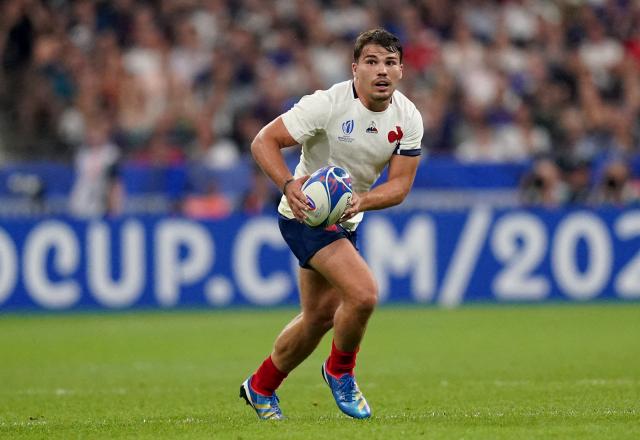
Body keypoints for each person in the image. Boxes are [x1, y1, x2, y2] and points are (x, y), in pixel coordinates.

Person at [239, 28, 423, 420]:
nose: (381, 71)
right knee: (363, 294)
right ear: (355, 68)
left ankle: (260, 386)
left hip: (345, 216)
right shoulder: (326, 104)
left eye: (390, 63)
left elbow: (401, 186)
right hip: (305, 214)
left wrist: (362, 201)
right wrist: (288, 184)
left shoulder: (408, 117)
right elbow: (263, 141)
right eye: (372, 62)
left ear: (402, 71)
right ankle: (340, 371)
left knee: (319, 317)